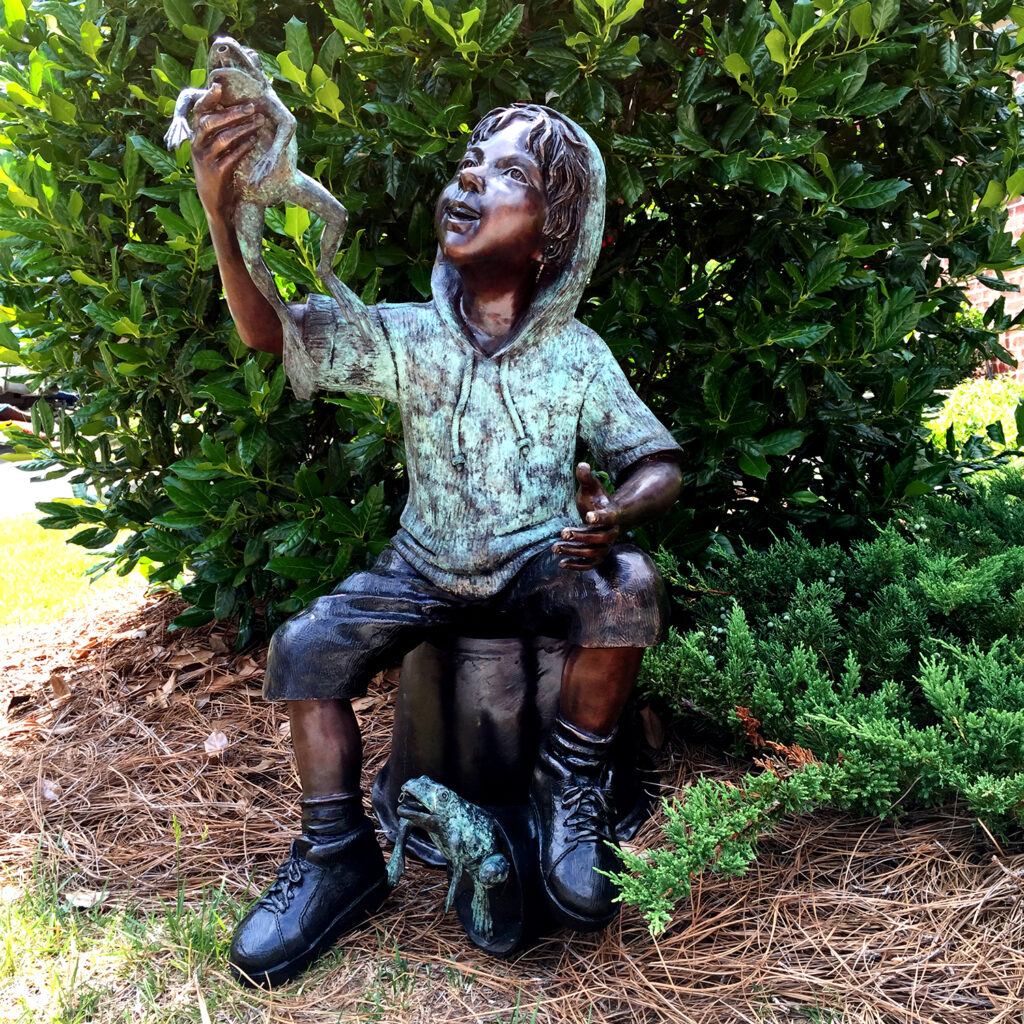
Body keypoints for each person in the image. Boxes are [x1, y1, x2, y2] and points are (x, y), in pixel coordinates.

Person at [191, 92, 683, 987]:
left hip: (539, 560)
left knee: (627, 588)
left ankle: (567, 785)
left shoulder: (577, 354)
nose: (471, 179)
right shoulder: (407, 335)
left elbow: (657, 461)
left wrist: (614, 513)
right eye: (470, 162)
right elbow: (269, 332)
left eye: (508, 173)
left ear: (554, 235)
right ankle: (336, 853)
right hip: (422, 566)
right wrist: (226, 217)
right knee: (305, 649)